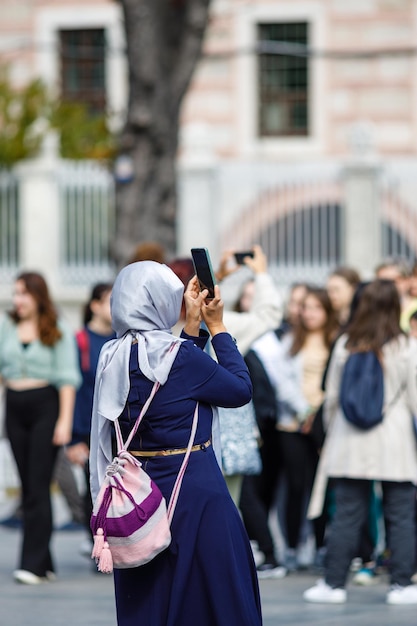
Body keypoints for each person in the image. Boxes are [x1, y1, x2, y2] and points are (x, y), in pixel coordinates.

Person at [89, 261, 262, 626]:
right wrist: (217, 327)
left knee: (152, 594)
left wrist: (191, 328)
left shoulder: (111, 356)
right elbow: (239, 389)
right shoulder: (179, 358)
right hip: (195, 490)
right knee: (211, 595)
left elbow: (169, 379)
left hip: (138, 493)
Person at [304, 279, 417, 605]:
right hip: (394, 440)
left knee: (347, 514)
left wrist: (330, 433)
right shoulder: (406, 346)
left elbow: (332, 399)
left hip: (349, 437)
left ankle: (334, 584)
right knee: (400, 514)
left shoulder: (345, 344)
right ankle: (401, 584)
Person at [0, 271, 81, 584]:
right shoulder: (7, 326)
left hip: (46, 406)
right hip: (15, 406)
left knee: (37, 484)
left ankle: (32, 564)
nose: (18, 300)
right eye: (16, 293)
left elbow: (68, 380)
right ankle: (44, 562)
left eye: (24, 293)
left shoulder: (57, 328)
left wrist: (64, 422)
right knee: (28, 485)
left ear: (39, 296)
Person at [265, 287, 338, 571]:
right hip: (292, 423)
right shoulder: (291, 340)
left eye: (317, 308)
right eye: (306, 307)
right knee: (296, 487)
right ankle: (294, 547)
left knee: (321, 487)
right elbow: (281, 381)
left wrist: (318, 413)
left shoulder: (336, 340)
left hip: (325, 424)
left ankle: (320, 545)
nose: (310, 313)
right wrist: (304, 410)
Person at [65, 283, 114, 554]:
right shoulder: (80, 341)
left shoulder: (124, 338)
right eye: (109, 301)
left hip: (120, 429)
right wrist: (73, 439)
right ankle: (98, 543)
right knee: (94, 487)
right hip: (88, 431)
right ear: (94, 305)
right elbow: (73, 390)